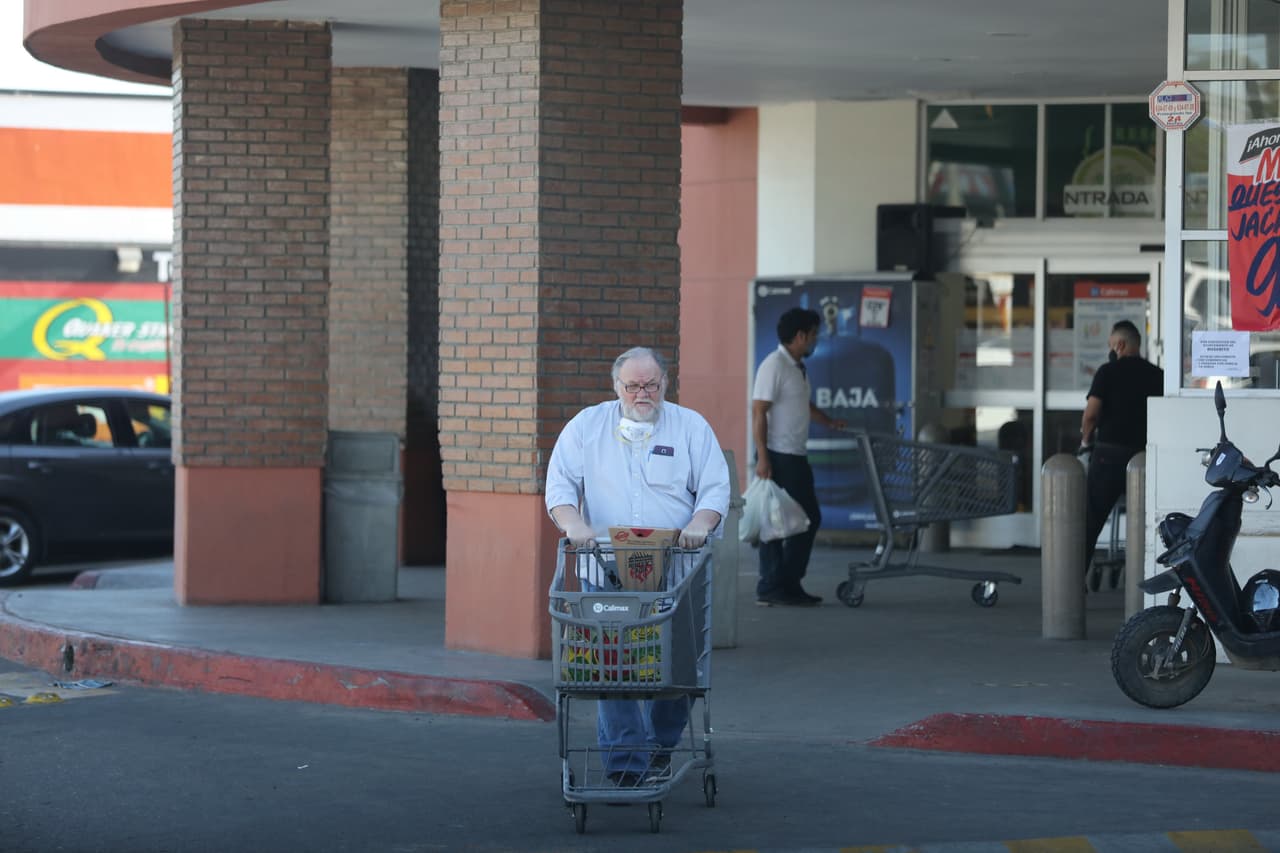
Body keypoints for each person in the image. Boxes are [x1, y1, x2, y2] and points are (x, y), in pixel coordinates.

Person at [545, 346, 730, 788]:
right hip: (603, 568)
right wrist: (575, 526)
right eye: (633, 386)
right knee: (613, 667)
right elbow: (560, 487)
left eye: (651, 384)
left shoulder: (690, 427)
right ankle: (627, 761)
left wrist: (700, 525)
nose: (641, 393)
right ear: (617, 387)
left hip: (678, 570)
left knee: (680, 666)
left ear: (666, 384)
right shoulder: (587, 426)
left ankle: (659, 745)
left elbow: (714, 490)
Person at [751, 307, 846, 607]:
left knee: (795, 520)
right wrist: (763, 458)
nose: (816, 340)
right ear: (800, 336)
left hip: (795, 455)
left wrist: (828, 421)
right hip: (780, 457)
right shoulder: (774, 365)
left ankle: (786, 584)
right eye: (814, 334)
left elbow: (801, 404)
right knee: (784, 521)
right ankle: (774, 585)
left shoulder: (796, 367)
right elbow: (759, 411)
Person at [1080, 319, 1163, 585]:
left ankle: (1073, 581)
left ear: (1120, 344)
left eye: (1111, 345)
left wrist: (1085, 441)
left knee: (1091, 519)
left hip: (1109, 455)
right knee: (1147, 520)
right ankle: (1148, 580)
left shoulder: (1107, 372)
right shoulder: (1157, 375)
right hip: (1142, 458)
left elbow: (1091, 415)